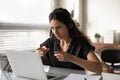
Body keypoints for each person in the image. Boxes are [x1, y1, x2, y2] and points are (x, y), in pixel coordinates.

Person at [36, 8, 102, 74]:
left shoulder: (81, 43)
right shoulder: (50, 42)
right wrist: (39, 55)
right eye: (52, 28)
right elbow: (37, 56)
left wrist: (71, 58)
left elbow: (98, 68)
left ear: (69, 25)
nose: (55, 32)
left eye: (58, 27)